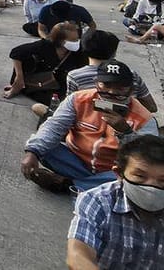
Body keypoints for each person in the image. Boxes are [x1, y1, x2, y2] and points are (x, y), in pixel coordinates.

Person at [20, 60, 157, 193]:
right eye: (106, 85)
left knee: (135, 177)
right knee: (42, 146)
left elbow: (147, 157)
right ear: (97, 84)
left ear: (131, 89)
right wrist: (32, 152)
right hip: (75, 160)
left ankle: (69, 185)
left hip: (112, 170)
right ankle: (94, 185)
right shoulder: (78, 99)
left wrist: (125, 132)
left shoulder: (144, 117)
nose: (111, 92)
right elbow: (54, 126)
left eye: (120, 88)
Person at [66, 135, 164, 269]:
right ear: (119, 174)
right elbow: (78, 255)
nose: (152, 187)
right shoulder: (97, 201)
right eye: (140, 176)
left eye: (162, 180)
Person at [63, 29, 158, 114]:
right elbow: (152, 107)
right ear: (114, 52)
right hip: (127, 124)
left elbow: (71, 107)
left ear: (84, 49)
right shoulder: (131, 74)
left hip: (88, 127)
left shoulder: (75, 76)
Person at [3, 21, 87, 104]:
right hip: (40, 80)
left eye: (77, 39)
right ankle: (20, 87)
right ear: (61, 41)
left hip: (59, 84)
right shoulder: (44, 46)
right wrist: (19, 77)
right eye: (73, 40)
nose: (77, 42)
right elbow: (16, 52)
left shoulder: (77, 52)